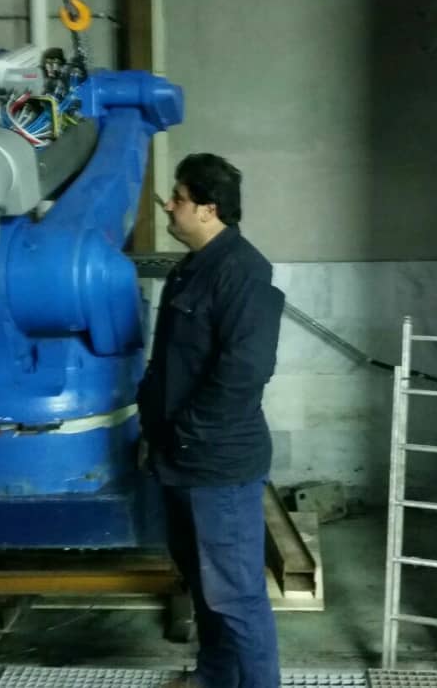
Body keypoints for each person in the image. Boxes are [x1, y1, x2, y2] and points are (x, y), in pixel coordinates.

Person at [137, 153, 285, 688]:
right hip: (178, 458)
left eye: (178, 198)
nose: (169, 207)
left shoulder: (244, 272)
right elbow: (169, 364)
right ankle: (215, 678)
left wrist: (185, 434)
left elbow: (243, 374)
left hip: (217, 464)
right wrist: (154, 430)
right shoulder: (189, 270)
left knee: (237, 595)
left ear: (208, 208)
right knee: (203, 583)